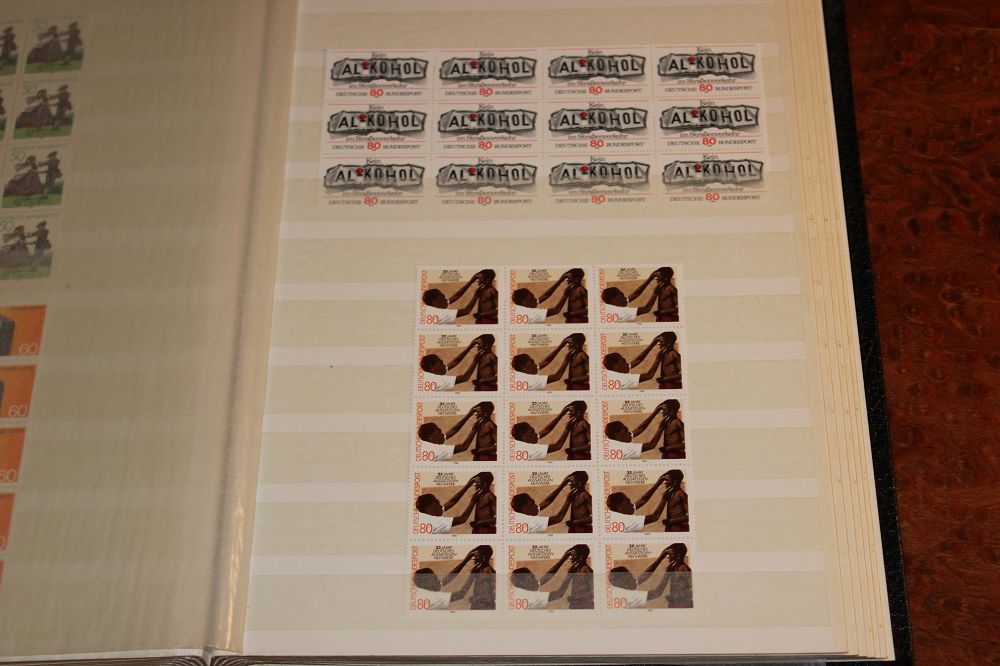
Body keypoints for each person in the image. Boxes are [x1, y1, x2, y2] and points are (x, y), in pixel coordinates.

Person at [510, 471, 591, 534]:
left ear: (580, 483)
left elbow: (548, 501)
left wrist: (562, 484)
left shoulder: (585, 495)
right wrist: (568, 500)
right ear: (523, 508)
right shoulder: (528, 521)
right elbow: (557, 518)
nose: (536, 505)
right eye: (532, 503)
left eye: (572, 482)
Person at [415, 472, 494, 534]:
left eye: (478, 483)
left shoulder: (426, 514)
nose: (441, 506)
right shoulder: (433, 522)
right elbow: (462, 519)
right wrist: (473, 501)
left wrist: (467, 485)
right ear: (428, 508)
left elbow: (452, 502)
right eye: (437, 504)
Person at [417, 402, 495, 462]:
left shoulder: (428, 442)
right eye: (439, 432)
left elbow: (454, 430)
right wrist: (474, 429)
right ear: (430, 437)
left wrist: (469, 413)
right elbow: (463, 447)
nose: (443, 434)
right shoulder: (434, 449)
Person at [605, 472, 675, 532]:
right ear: (619, 507)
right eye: (628, 502)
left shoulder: (616, 513)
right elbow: (654, 517)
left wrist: (657, 484)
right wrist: (665, 498)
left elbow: (642, 500)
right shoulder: (626, 520)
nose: (632, 504)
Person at [636, 543, 692, 607]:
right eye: (668, 555)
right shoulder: (671, 568)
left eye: (671, 555)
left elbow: (693, 590)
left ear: (678, 556)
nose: (668, 557)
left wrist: (680, 597)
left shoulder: (684, 569)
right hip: (673, 604)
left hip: (683, 604)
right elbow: (659, 590)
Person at [441, 545, 496, 610]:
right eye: (473, 556)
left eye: (476, 556)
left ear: (484, 557)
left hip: (486, 608)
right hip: (476, 608)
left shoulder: (489, 572)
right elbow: (462, 593)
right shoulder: (476, 570)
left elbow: (491, 595)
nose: (473, 559)